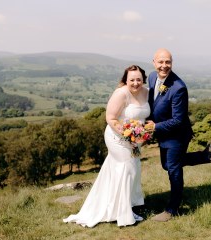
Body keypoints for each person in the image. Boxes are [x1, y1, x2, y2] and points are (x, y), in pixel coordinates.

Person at [146, 48, 211, 222]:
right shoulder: (152, 77)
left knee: (174, 170)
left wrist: (154, 127)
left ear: (172, 63)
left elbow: (178, 120)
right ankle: (206, 155)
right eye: (160, 62)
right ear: (153, 62)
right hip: (163, 133)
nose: (164, 66)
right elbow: (153, 104)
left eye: (167, 62)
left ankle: (172, 210)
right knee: (167, 165)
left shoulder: (179, 88)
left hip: (177, 135)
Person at [63, 65, 150, 228]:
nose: (136, 83)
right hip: (117, 137)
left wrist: (141, 134)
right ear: (126, 80)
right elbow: (110, 118)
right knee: (126, 168)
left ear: (143, 79)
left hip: (136, 138)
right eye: (132, 80)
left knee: (134, 168)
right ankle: (123, 213)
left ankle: (123, 204)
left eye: (139, 79)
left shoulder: (146, 92)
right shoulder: (121, 93)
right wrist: (127, 134)